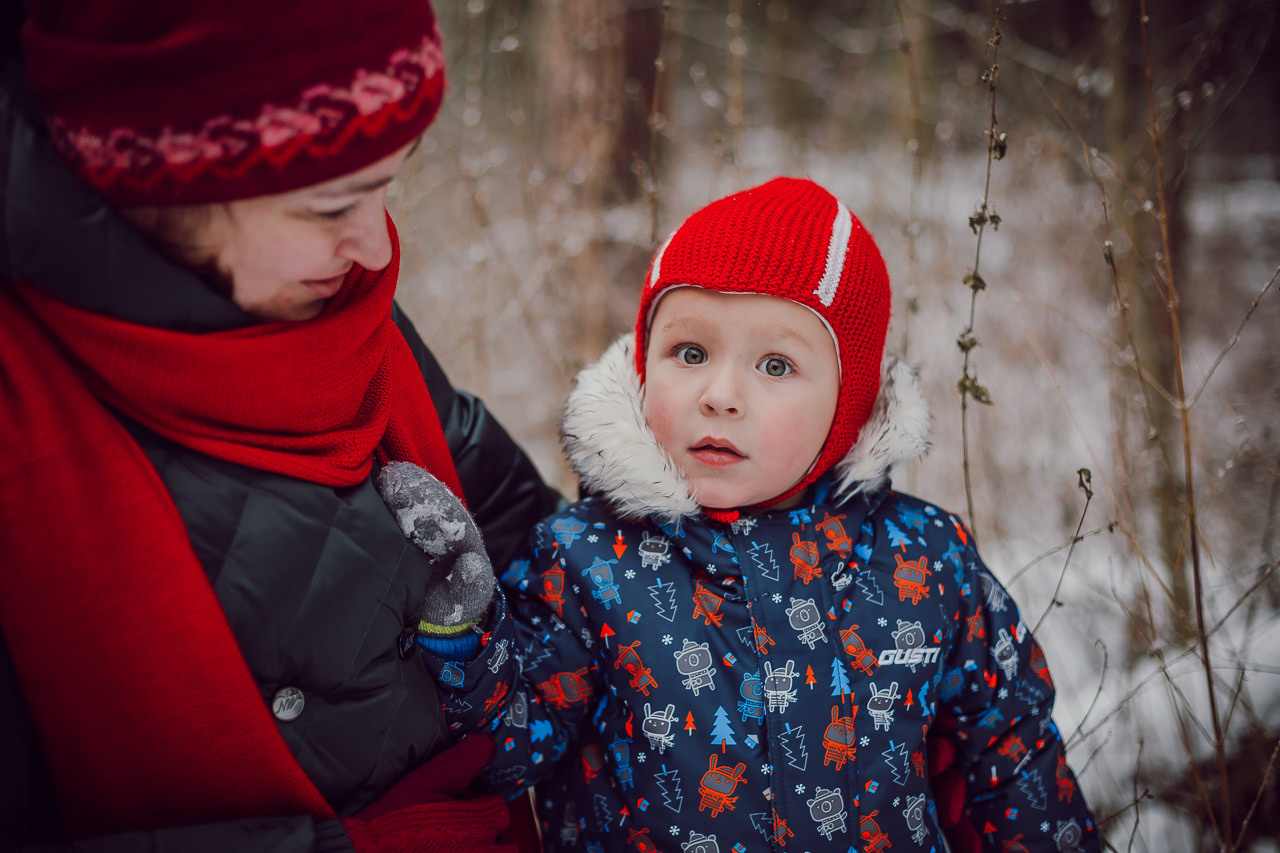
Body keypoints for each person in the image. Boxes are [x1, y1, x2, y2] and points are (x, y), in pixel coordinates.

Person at [0, 1, 560, 850]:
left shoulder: (341, 305)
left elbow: (521, 525)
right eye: (331, 205)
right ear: (168, 186)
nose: (377, 247)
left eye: (388, 186)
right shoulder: (25, 419)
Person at [403, 177, 1102, 851]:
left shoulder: (926, 557)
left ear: (849, 401)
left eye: (775, 365)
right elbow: (505, 751)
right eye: (691, 351)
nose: (720, 393)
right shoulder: (587, 561)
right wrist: (461, 635)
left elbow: (1011, 763)